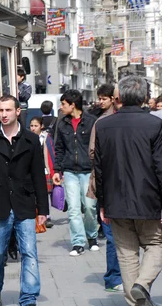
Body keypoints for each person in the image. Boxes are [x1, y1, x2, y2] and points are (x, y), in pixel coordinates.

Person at [0, 95, 49, 306]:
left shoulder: (31, 140)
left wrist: (42, 208)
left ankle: (28, 297)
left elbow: (38, 177)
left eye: (8, 110)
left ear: (18, 112)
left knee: (29, 252)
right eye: (0, 111)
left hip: (24, 203)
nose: (4, 114)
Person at [95, 76, 162, 306]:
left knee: (126, 254)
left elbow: (99, 169)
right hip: (149, 199)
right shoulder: (155, 125)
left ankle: (136, 301)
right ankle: (142, 284)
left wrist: (102, 203)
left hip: (115, 200)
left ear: (119, 98)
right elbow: (160, 166)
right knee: (156, 244)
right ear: (145, 98)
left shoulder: (103, 125)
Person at [85, 83, 123, 293]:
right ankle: (113, 277)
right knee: (111, 234)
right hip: (107, 182)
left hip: (127, 185)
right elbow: (93, 153)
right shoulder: (102, 122)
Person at [52, 89, 99, 256]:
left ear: (73, 105)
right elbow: (59, 148)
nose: (61, 107)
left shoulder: (92, 121)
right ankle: (78, 243)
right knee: (73, 209)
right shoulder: (62, 123)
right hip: (70, 171)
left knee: (89, 207)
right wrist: (57, 170)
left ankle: (92, 237)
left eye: (63, 104)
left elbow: (98, 148)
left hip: (88, 171)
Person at [29, 116, 55, 228]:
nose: (33, 128)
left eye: (36, 126)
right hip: (32, 169)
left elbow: (51, 154)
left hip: (45, 169)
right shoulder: (28, 138)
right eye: (31, 126)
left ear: (41, 126)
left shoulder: (46, 138)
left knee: (44, 193)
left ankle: (46, 215)